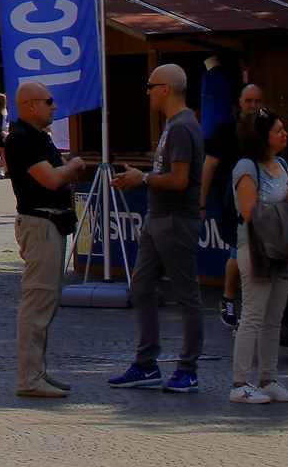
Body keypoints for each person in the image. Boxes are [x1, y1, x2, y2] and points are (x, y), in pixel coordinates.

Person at [107, 63, 205, 393]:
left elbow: (179, 180)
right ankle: (146, 363)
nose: (147, 92)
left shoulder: (181, 127)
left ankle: (187, 368)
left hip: (175, 219)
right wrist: (143, 177)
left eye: (151, 86)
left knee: (187, 295)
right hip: (158, 217)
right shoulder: (173, 125)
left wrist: (143, 178)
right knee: (141, 288)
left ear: (166, 89)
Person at [6, 80, 88, 398]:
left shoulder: (39, 138)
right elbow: (53, 178)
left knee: (47, 302)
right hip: (40, 225)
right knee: (37, 302)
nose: (54, 106)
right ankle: (28, 377)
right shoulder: (22, 139)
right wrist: (76, 165)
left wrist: (68, 168)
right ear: (30, 105)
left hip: (51, 224)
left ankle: (37, 371)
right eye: (49, 101)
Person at [226, 107, 288, 404]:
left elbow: (281, 206)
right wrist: (285, 206)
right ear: (262, 136)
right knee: (253, 316)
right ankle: (240, 383)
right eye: (278, 130)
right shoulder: (246, 167)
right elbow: (249, 211)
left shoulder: (281, 163)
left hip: (280, 248)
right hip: (256, 249)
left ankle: (268, 379)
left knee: (274, 318)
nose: (285, 134)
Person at [207, 81, 265, 330]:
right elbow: (209, 166)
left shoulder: (267, 128)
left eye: (257, 101)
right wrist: (201, 204)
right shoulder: (225, 130)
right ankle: (229, 297)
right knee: (237, 252)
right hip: (233, 202)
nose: (252, 106)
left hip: (264, 199)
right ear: (240, 103)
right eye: (248, 101)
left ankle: (256, 304)